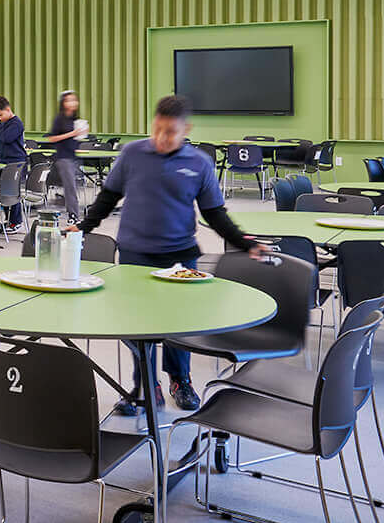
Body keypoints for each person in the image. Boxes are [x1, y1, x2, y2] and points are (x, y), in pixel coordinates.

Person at [76, 95, 266, 416]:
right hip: (135, 255)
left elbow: (215, 214)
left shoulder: (199, 164)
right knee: (137, 325)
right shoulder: (132, 154)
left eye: (171, 132)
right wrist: (83, 227)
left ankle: (181, 380)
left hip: (180, 256)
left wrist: (245, 242)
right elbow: (108, 197)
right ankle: (145, 386)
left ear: (185, 130)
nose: (162, 138)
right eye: (157, 129)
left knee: (180, 325)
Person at [44, 90, 90, 211]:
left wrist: (81, 134)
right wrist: (72, 133)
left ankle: (60, 201)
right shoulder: (59, 119)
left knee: (73, 186)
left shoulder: (75, 119)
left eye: (74, 100)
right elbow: (52, 138)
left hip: (74, 157)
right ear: (63, 103)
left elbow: (75, 139)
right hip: (63, 158)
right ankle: (73, 216)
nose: (73, 103)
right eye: (69, 100)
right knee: (71, 188)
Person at [0, 96, 28, 228]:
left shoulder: (16, 123)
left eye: (0, 115)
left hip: (16, 162)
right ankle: (9, 220)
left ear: (8, 109)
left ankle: (16, 222)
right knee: (4, 192)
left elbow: (6, 138)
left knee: (12, 192)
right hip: (5, 161)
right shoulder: (4, 123)